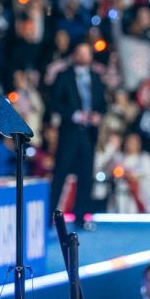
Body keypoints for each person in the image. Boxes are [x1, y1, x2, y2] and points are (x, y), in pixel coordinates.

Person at [49, 42, 106, 227]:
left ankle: (81, 217)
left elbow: (102, 102)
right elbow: (54, 102)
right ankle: (49, 216)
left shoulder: (96, 78)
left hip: (89, 134)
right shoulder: (63, 76)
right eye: (79, 52)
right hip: (69, 133)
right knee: (60, 175)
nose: (83, 56)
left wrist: (98, 115)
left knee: (86, 176)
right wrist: (74, 115)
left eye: (86, 53)